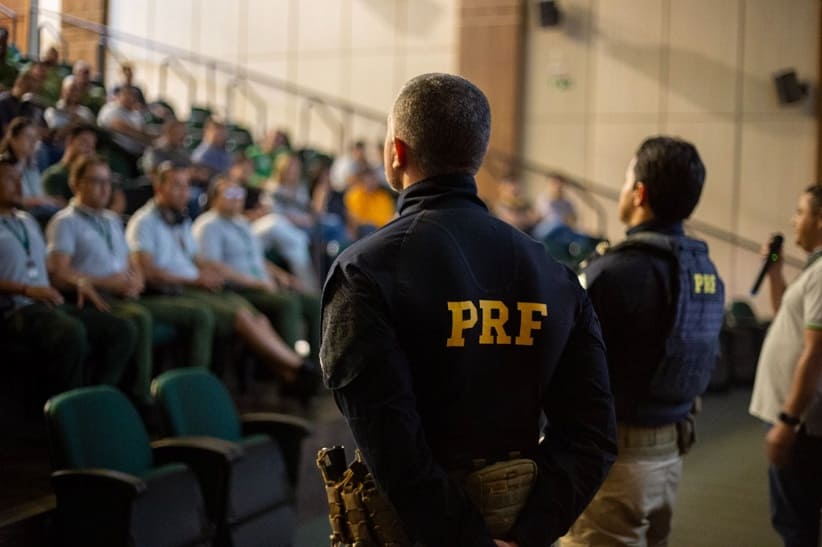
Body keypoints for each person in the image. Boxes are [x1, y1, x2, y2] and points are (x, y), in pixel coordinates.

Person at [320, 73, 617, 546]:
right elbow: (594, 433)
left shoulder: (364, 271)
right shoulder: (552, 272)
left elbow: (391, 445)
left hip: (421, 532)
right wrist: (530, 532)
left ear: (397, 152)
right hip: (518, 521)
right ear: (477, 154)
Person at [563, 136, 725, 547]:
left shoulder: (616, 272)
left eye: (624, 180)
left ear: (639, 193)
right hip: (670, 453)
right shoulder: (703, 270)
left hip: (616, 461)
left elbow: (564, 364)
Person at [126, 162, 319, 402]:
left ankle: (293, 372)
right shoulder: (144, 222)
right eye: (176, 186)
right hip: (171, 290)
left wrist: (208, 274)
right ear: (158, 188)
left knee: (255, 316)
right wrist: (202, 276)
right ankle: (295, 368)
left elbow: (197, 259)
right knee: (239, 314)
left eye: (186, 186)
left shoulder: (183, 220)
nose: (184, 192)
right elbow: (148, 271)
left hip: (195, 284)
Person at [47, 155, 216, 405]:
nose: (105, 188)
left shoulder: (111, 220)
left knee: (154, 315)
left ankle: (175, 393)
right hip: (89, 297)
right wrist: (107, 283)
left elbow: (130, 264)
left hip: (121, 293)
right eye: (96, 181)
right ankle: (134, 398)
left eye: (107, 182)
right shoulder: (65, 222)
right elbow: (58, 274)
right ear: (75, 183)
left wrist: (135, 279)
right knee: (139, 318)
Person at [0, 155, 137, 396]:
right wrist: (25, 289)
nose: (20, 185)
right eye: (11, 180)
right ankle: (66, 410)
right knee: (71, 332)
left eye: (20, 178)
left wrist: (78, 280)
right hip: (15, 308)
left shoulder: (26, 221)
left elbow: (48, 268)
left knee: (121, 329)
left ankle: (100, 397)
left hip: (47, 303)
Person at [749, 185, 822, 547]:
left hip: (801, 424)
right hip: (796, 421)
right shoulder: (814, 269)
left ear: (820, 220)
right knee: (794, 518)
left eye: (800, 211)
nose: (794, 220)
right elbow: (784, 319)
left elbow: (815, 352)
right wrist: (775, 273)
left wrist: (788, 420)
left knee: (796, 523)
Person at [193, 175, 320, 359]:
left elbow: (257, 259)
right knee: (288, 303)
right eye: (230, 192)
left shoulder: (242, 222)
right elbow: (212, 266)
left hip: (262, 285)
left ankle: (320, 363)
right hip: (238, 290)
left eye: (239, 192)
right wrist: (255, 283)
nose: (237, 197)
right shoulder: (208, 225)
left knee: (314, 302)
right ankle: (295, 369)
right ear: (214, 197)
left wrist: (282, 275)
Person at [42, 123, 97, 203]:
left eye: (92, 145)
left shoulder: (95, 177)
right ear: (70, 141)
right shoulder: (54, 175)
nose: (89, 149)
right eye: (84, 142)